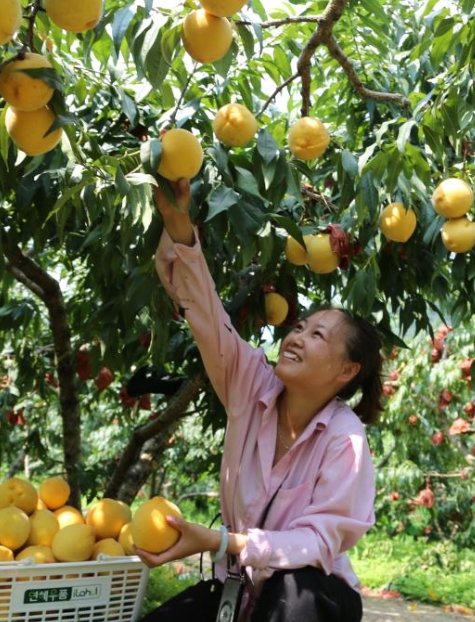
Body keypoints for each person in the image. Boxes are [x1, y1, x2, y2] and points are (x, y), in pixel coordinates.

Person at [136, 177, 383, 622]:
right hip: (239, 592)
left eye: (318, 335)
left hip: (311, 602)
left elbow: (316, 543)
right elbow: (209, 316)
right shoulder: (250, 384)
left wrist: (219, 542)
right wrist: (178, 224)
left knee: (297, 587)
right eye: (301, 326)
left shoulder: (345, 441)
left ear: (347, 371)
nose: (297, 336)